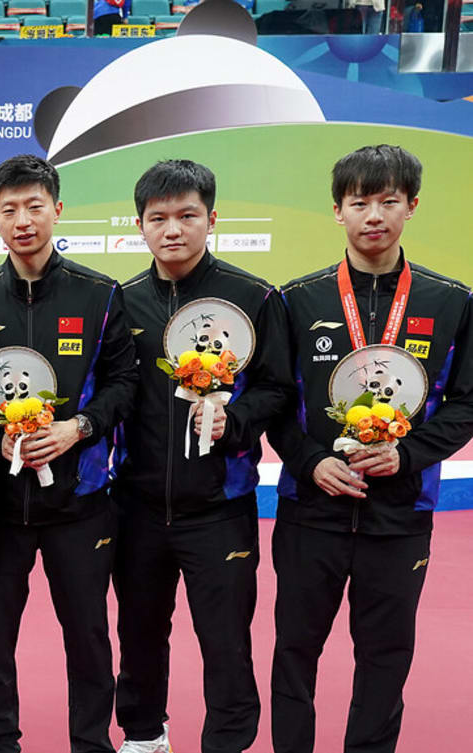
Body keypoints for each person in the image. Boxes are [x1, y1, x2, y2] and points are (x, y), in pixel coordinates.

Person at [267, 145, 473, 753]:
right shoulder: (297, 300)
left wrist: (407, 456)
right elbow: (275, 401)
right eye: (359, 202)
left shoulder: (451, 302)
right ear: (338, 211)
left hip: (401, 515)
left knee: (386, 656)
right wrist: (311, 462)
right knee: (294, 651)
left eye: (388, 201)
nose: (374, 215)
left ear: (412, 206)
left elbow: (466, 403)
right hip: (311, 512)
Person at [0, 155, 138, 753]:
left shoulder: (101, 294)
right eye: (9, 209)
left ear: (57, 209)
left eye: (34, 206)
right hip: (1, 510)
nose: (23, 221)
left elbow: (124, 386)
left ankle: (91, 743)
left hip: (81, 504)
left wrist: (76, 428)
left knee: (87, 635)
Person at [111, 160, 292, 753]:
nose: (173, 229)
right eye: (158, 218)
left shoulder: (253, 297)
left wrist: (232, 420)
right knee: (138, 634)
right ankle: (143, 735)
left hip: (221, 507)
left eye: (187, 215)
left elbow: (277, 390)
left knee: (226, 642)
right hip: (137, 507)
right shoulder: (122, 303)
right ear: (139, 225)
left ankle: (228, 742)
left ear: (211, 219)